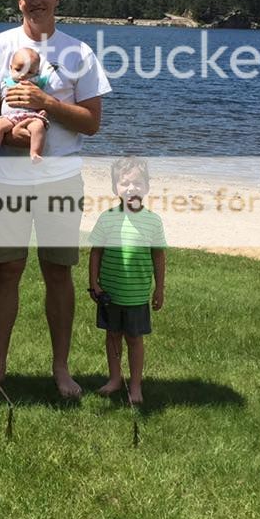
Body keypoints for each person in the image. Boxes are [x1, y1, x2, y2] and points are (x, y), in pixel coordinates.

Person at [0, 0, 111, 399]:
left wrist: (46, 102)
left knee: (58, 271)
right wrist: (12, 134)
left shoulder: (79, 52)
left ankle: (61, 369)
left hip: (60, 179)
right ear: (19, 2)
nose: (36, 1)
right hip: (8, 180)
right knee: (7, 270)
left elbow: (92, 123)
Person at [88, 158, 166, 404]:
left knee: (134, 339)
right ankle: (114, 378)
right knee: (113, 336)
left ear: (147, 187)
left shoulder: (153, 221)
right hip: (110, 293)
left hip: (137, 294)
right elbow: (96, 252)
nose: (131, 188)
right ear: (115, 188)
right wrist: (94, 284)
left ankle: (135, 385)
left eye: (137, 183)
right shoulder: (107, 218)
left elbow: (158, 256)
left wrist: (159, 288)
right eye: (125, 183)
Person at [0, 46, 49, 163]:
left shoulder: (36, 85)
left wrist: (44, 111)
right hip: (9, 117)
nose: (23, 75)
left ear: (37, 72)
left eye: (29, 72)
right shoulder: (6, 84)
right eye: (18, 69)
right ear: (11, 68)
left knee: (38, 127)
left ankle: (35, 153)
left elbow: (44, 100)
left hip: (31, 116)